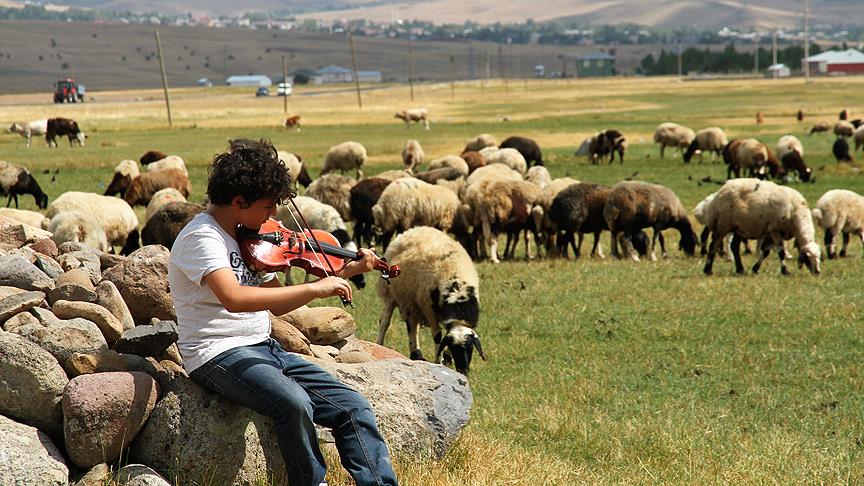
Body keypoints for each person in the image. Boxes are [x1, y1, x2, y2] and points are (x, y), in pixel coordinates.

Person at [167, 139, 398, 486]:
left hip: (264, 348)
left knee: (353, 406)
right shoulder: (202, 237)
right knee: (295, 403)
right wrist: (315, 289)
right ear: (238, 202)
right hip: (216, 354)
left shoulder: (251, 239)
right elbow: (233, 298)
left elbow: (275, 302)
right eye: (268, 206)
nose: (273, 215)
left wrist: (346, 272)